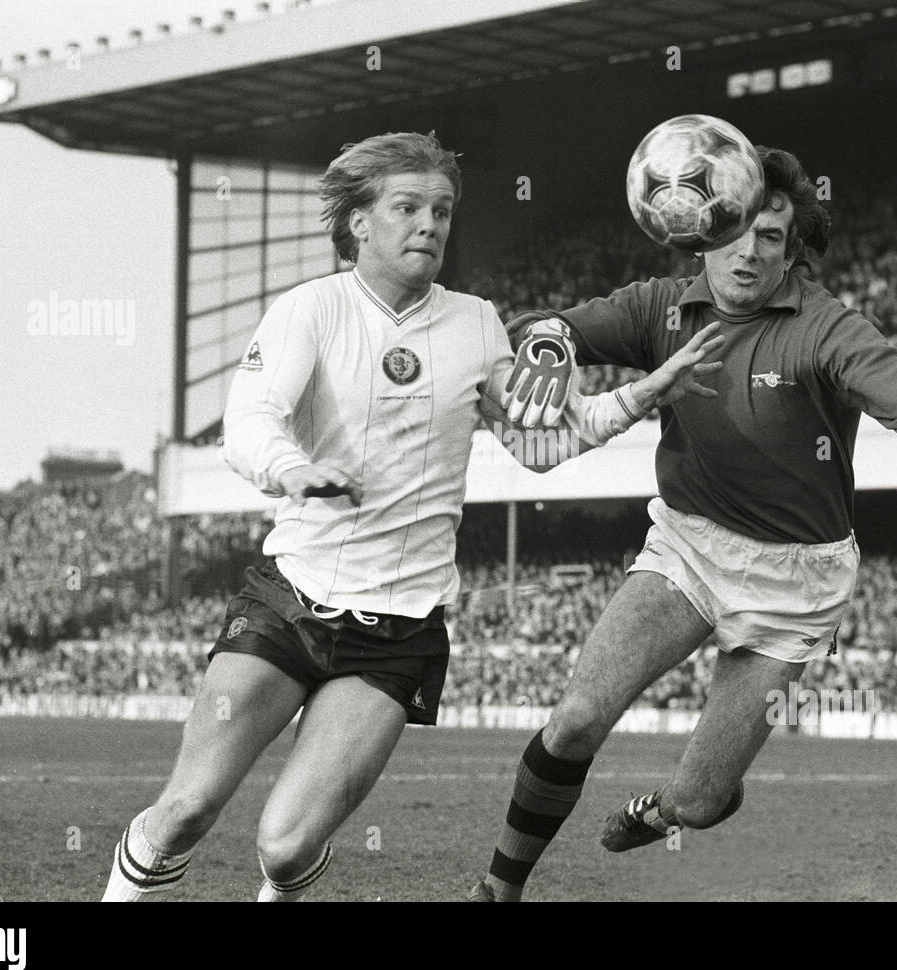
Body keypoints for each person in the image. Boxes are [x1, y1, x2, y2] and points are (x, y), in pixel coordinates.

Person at [472, 145, 897, 901]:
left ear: (792, 247)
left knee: (700, 802)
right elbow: (547, 325)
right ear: (704, 230)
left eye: (770, 238)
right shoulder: (659, 308)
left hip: (797, 583)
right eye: (736, 232)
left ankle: (677, 804)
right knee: (576, 718)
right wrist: (547, 343)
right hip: (687, 545)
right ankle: (497, 889)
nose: (749, 253)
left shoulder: (827, 329)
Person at [100, 131, 720, 902]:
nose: (429, 223)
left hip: (395, 633)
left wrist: (638, 393)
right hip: (288, 603)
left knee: (287, 848)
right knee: (188, 807)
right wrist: (295, 468)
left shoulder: (476, 323)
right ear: (359, 223)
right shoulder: (309, 310)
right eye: (407, 207)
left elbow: (537, 440)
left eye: (442, 209)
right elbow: (251, 420)